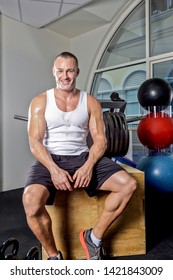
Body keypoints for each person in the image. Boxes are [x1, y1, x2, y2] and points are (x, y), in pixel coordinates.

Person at [22, 51, 137, 260]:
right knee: (30, 201)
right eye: (60, 70)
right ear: (54, 71)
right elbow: (35, 142)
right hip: (51, 158)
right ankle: (54, 256)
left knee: (128, 185)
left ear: (77, 72)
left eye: (70, 71)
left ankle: (94, 238)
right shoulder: (40, 101)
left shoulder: (90, 102)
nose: (65, 76)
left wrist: (88, 166)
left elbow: (101, 140)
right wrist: (54, 170)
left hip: (82, 157)